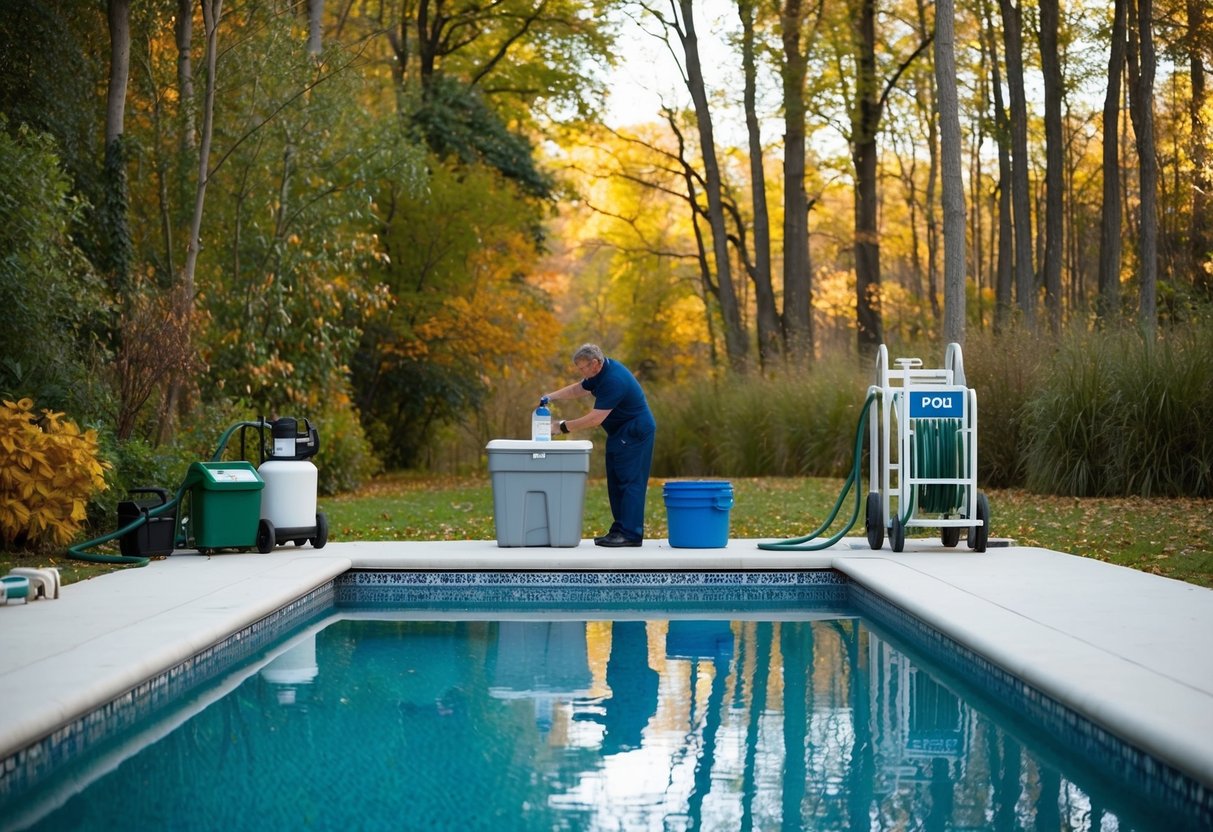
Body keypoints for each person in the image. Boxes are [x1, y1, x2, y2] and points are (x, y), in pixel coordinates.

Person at [543, 344, 656, 547]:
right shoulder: (599, 373)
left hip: (634, 431)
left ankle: (630, 534)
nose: (581, 372)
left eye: (582, 367)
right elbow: (579, 388)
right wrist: (551, 397)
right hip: (619, 432)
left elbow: (595, 418)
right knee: (615, 481)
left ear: (595, 363)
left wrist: (562, 427)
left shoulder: (614, 380)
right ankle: (619, 530)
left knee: (629, 482)